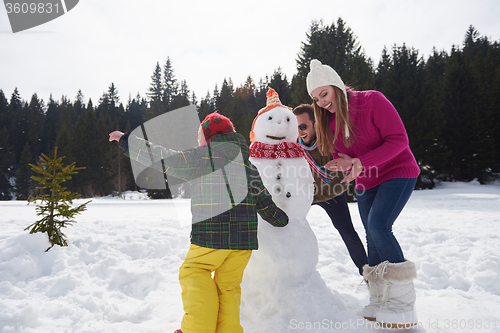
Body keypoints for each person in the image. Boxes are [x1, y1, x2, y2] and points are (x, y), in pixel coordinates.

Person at [109, 111, 289, 333]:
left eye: (199, 136)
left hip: (211, 237)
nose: (197, 140)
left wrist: (127, 141)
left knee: (194, 272)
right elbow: (264, 201)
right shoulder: (248, 166)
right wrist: (281, 220)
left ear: (208, 137)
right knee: (228, 288)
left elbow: (163, 158)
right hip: (243, 244)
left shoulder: (203, 158)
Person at [306, 59, 421, 328]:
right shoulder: (329, 123)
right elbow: (340, 155)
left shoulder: (372, 101)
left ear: (336, 86)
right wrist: (343, 163)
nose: (321, 102)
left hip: (398, 171)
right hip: (366, 181)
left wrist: (360, 162)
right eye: (316, 98)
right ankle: (381, 298)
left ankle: (403, 302)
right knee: (370, 234)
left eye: (324, 94)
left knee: (379, 226)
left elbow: (399, 140)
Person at [292, 103, 367, 276]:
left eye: (303, 126)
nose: (299, 132)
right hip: (306, 196)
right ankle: (290, 275)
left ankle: (367, 273)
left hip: (330, 196)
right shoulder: (294, 146)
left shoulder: (331, 142)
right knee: (288, 227)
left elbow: (343, 176)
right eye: (295, 127)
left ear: (315, 124)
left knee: (347, 232)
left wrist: (318, 195)